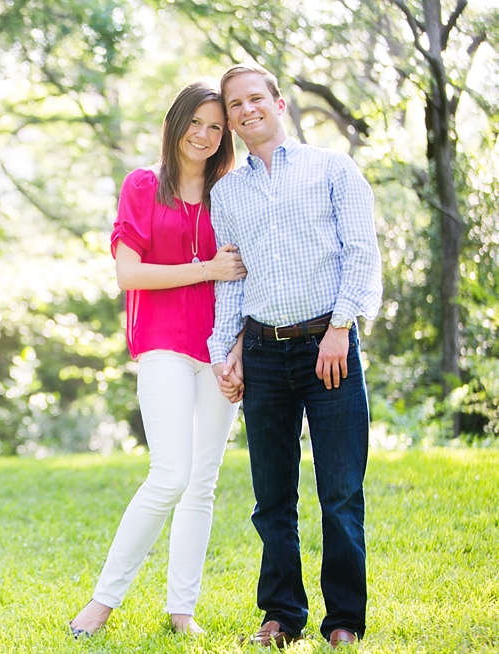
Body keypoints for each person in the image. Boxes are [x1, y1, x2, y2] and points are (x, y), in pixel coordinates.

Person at [207, 63, 382, 648]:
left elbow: (361, 253)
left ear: (279, 103)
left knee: (339, 493)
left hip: (328, 347)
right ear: (229, 119)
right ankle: (281, 615)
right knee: (272, 499)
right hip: (262, 353)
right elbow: (232, 280)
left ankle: (343, 623)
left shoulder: (332, 168)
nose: (246, 110)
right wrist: (223, 350)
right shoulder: (226, 192)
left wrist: (339, 327)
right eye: (235, 105)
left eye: (256, 98)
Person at [69, 81, 247, 638]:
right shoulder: (144, 185)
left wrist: (240, 349)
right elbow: (129, 273)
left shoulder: (234, 191)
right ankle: (102, 603)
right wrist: (204, 270)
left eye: (216, 127)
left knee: (203, 482)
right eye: (196, 122)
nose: (204, 134)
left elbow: (250, 276)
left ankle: (181, 611)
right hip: (164, 345)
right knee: (171, 472)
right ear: (176, 123)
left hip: (220, 350)